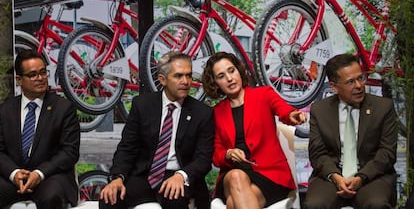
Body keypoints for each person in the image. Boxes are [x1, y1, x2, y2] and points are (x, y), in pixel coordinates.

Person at [99, 51, 214, 209]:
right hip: (144, 175)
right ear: (162, 79)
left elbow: (203, 159)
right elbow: (127, 147)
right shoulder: (143, 105)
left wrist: (182, 175)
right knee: (109, 199)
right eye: (178, 76)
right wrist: (117, 178)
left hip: (178, 176)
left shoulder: (202, 113)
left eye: (189, 76)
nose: (186, 81)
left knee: (175, 201)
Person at [201, 52, 306, 209]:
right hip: (232, 174)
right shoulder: (216, 113)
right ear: (215, 83)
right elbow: (216, 154)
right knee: (237, 176)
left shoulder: (263, 94)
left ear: (239, 70)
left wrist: (292, 115)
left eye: (231, 71)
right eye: (221, 76)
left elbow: (284, 110)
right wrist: (228, 153)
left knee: (232, 203)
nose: (229, 79)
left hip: (269, 175)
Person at [304, 53, 397, 208]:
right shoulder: (320, 110)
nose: (359, 86)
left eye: (360, 78)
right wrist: (335, 177)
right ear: (334, 86)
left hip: (371, 176)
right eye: (350, 82)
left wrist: (361, 177)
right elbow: (317, 153)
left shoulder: (383, 107)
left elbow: (387, 152)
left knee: (377, 204)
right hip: (332, 176)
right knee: (315, 204)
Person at [0, 49, 80, 208]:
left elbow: (69, 152)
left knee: (51, 197)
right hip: (15, 178)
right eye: (33, 75)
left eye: (43, 72)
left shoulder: (63, 108)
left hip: (51, 176)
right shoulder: (5, 110)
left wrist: (39, 173)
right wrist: (14, 173)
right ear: (19, 80)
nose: (41, 78)